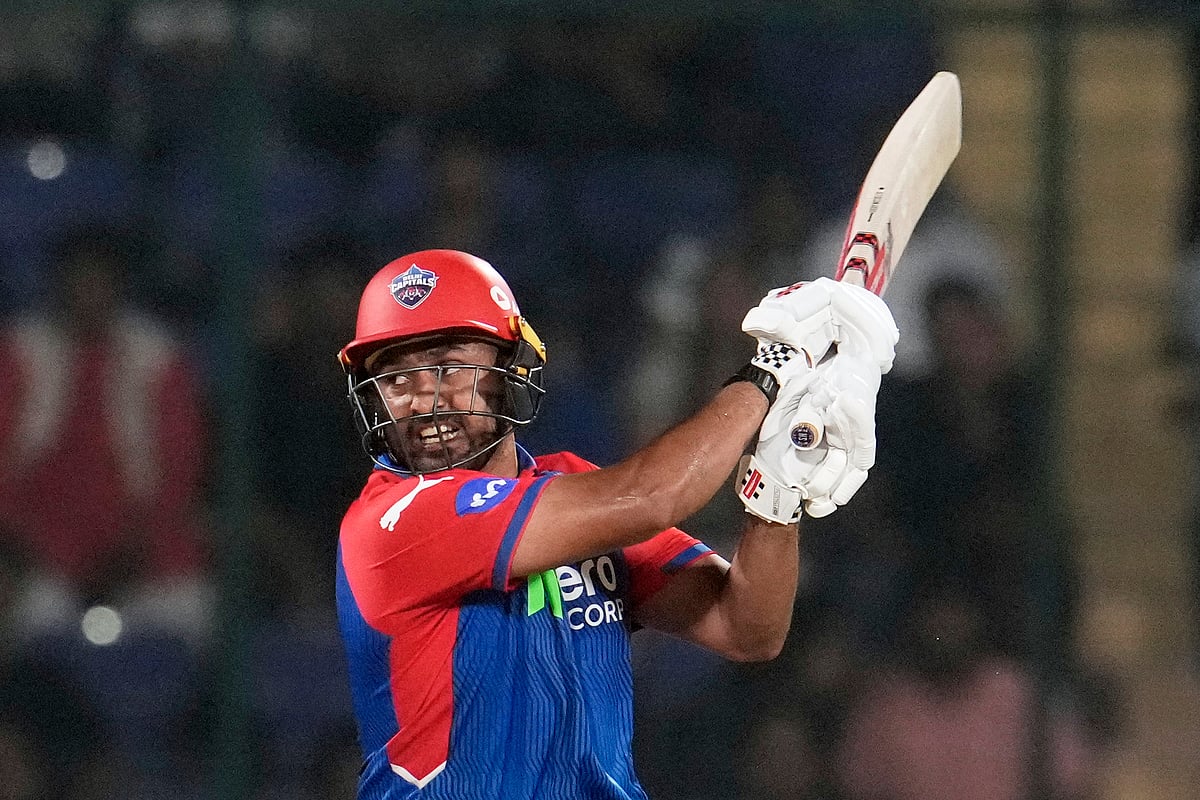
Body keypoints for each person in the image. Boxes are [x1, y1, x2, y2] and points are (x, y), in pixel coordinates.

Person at [333, 249, 898, 798]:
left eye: (452, 367)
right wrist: (773, 369)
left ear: (508, 369)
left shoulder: (568, 487)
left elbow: (746, 628)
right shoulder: (392, 522)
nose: (425, 401)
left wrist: (776, 498)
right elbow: (654, 495)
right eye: (396, 379)